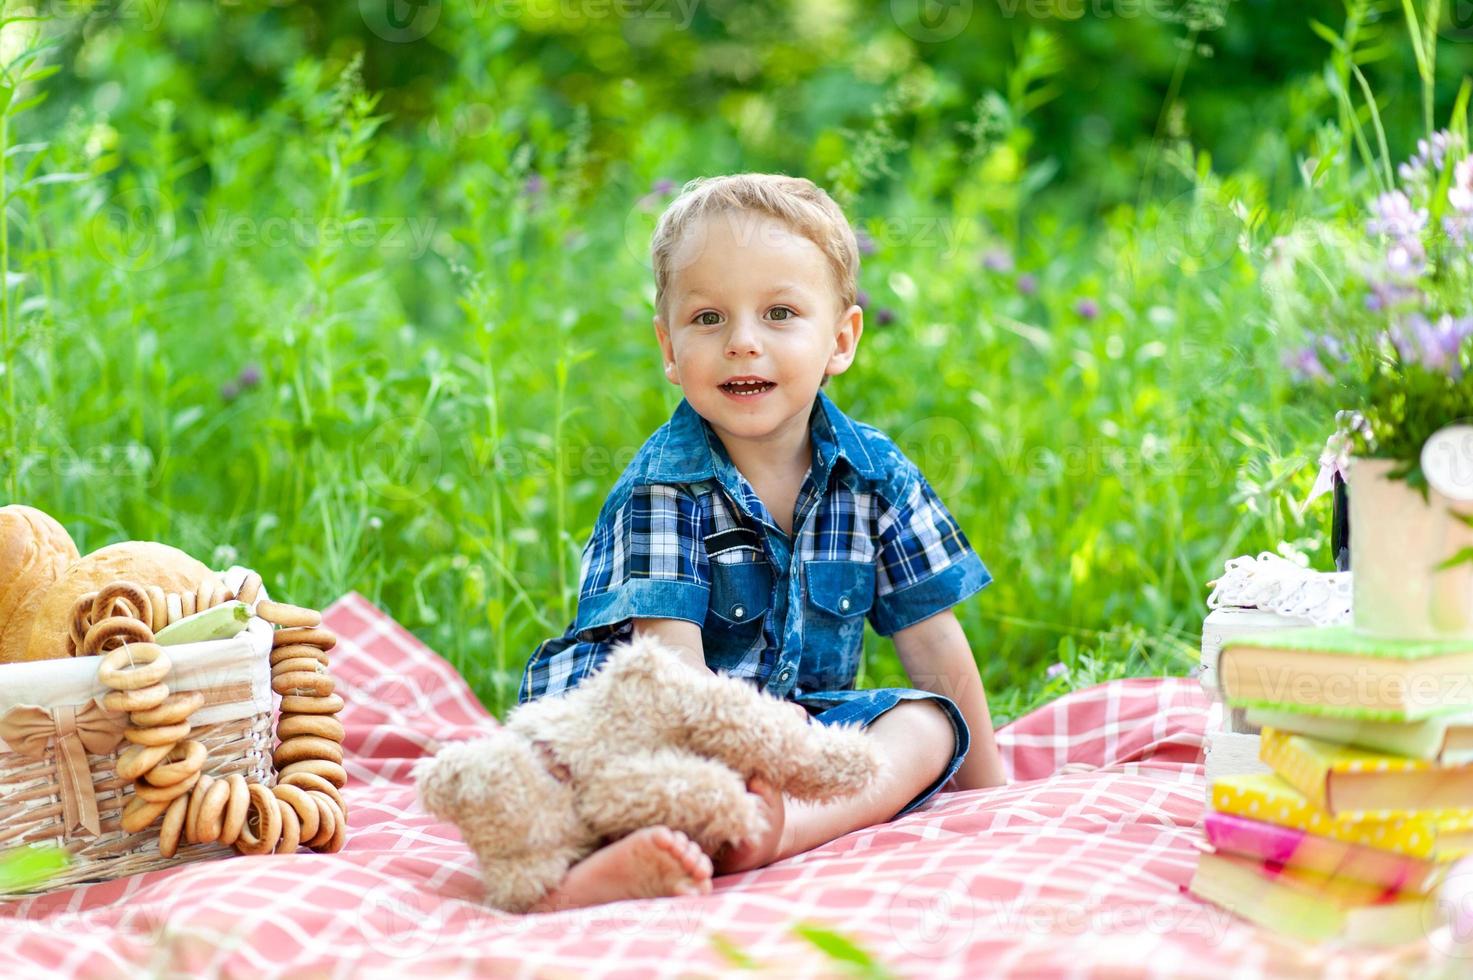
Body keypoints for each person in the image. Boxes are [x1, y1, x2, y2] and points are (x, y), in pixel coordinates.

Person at [517, 173, 1006, 913]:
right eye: (708, 318)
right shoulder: (663, 489)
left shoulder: (874, 475)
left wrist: (994, 802)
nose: (742, 343)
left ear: (839, 340)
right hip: (652, 728)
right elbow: (669, 676)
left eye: (779, 313)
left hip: (789, 737)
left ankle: (773, 831)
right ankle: (581, 881)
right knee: (572, 780)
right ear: (669, 348)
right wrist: (716, 776)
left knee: (930, 725)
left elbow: (934, 645)